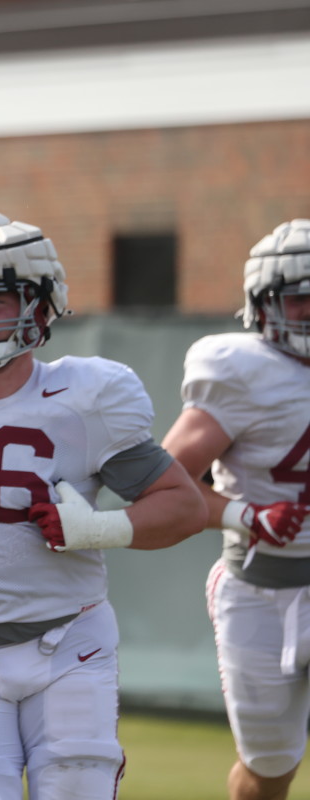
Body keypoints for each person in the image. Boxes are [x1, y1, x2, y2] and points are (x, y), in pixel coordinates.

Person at [0, 211, 207, 799]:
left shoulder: (86, 396)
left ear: (42, 303)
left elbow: (183, 507)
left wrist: (101, 528)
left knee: (78, 787)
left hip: (70, 640)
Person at [161, 218, 310, 800]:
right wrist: (246, 515)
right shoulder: (243, 371)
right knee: (269, 767)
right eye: (301, 300)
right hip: (260, 588)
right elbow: (167, 481)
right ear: (264, 306)